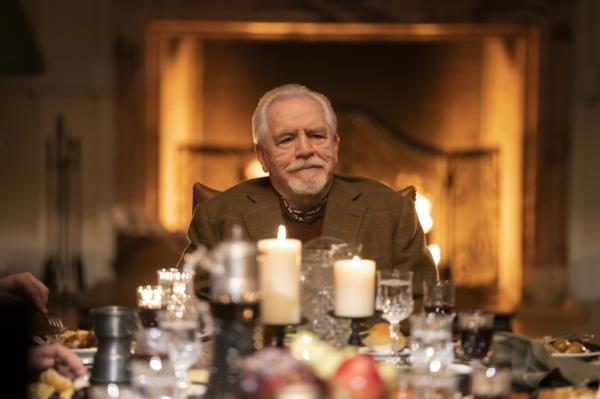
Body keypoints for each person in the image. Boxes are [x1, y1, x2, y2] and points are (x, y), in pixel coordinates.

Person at [181, 84, 437, 296]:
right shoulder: (218, 217)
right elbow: (190, 307)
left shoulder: (391, 212)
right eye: (287, 139)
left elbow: (420, 306)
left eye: (316, 135)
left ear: (335, 146)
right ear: (262, 156)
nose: (305, 150)